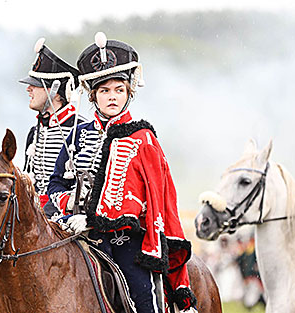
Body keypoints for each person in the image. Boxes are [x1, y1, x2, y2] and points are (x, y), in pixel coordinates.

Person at [48, 32, 197, 313]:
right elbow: (55, 186)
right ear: (93, 96)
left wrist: (92, 218)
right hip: (77, 235)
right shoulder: (75, 137)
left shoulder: (143, 138)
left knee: (142, 298)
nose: (112, 97)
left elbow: (148, 197)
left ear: (129, 93)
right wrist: (69, 208)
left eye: (119, 89)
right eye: (105, 90)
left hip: (127, 240)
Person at [19, 38, 85, 210]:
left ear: (55, 91)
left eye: (35, 85)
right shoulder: (35, 132)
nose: (29, 89)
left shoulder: (80, 129)